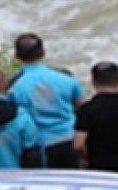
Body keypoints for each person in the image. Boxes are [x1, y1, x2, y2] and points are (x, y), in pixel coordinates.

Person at [9, 33, 84, 168]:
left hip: (39, 145)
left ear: (16, 55)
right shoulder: (66, 76)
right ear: (43, 52)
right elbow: (83, 109)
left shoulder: (13, 86)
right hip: (69, 140)